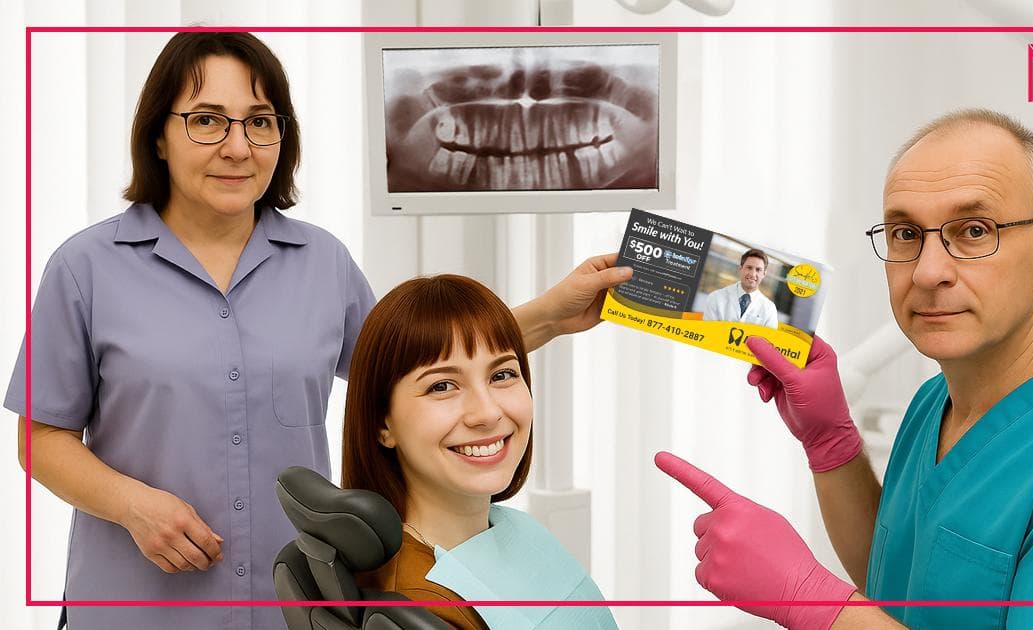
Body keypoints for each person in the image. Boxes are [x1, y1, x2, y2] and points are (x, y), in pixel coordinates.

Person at [7, 32, 631, 630]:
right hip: (140, 605)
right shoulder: (86, 267)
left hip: (297, 603)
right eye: (207, 119)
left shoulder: (322, 262)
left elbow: (414, 370)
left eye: (259, 121)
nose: (237, 146)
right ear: (160, 137)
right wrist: (133, 506)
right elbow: (40, 437)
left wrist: (550, 313)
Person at [656, 108, 1033, 629]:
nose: (929, 271)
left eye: (975, 231)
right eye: (906, 235)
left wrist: (810, 601)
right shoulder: (934, 402)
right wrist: (830, 443)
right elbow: (899, 587)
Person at [343, 275, 618, 630]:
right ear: (384, 424)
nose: (487, 413)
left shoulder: (510, 526)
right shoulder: (420, 607)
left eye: (502, 375)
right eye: (442, 385)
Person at [702, 248, 779, 328]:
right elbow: (707, 333)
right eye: (749, 268)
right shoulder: (715, 297)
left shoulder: (769, 309)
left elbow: (768, 339)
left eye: (758, 270)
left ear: (764, 274)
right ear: (740, 269)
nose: (753, 274)